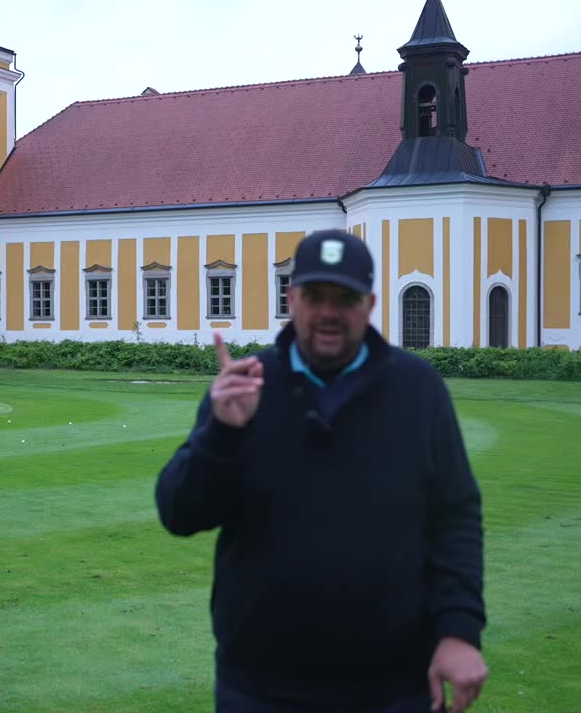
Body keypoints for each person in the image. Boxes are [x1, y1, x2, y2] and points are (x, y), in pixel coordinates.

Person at [154, 230, 487, 713]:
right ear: (291, 298)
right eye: (315, 296)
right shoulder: (246, 386)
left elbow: (455, 518)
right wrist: (223, 435)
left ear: (370, 303)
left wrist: (459, 631)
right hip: (260, 687)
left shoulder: (417, 389)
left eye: (345, 298)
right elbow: (178, 513)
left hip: (393, 685)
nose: (329, 312)